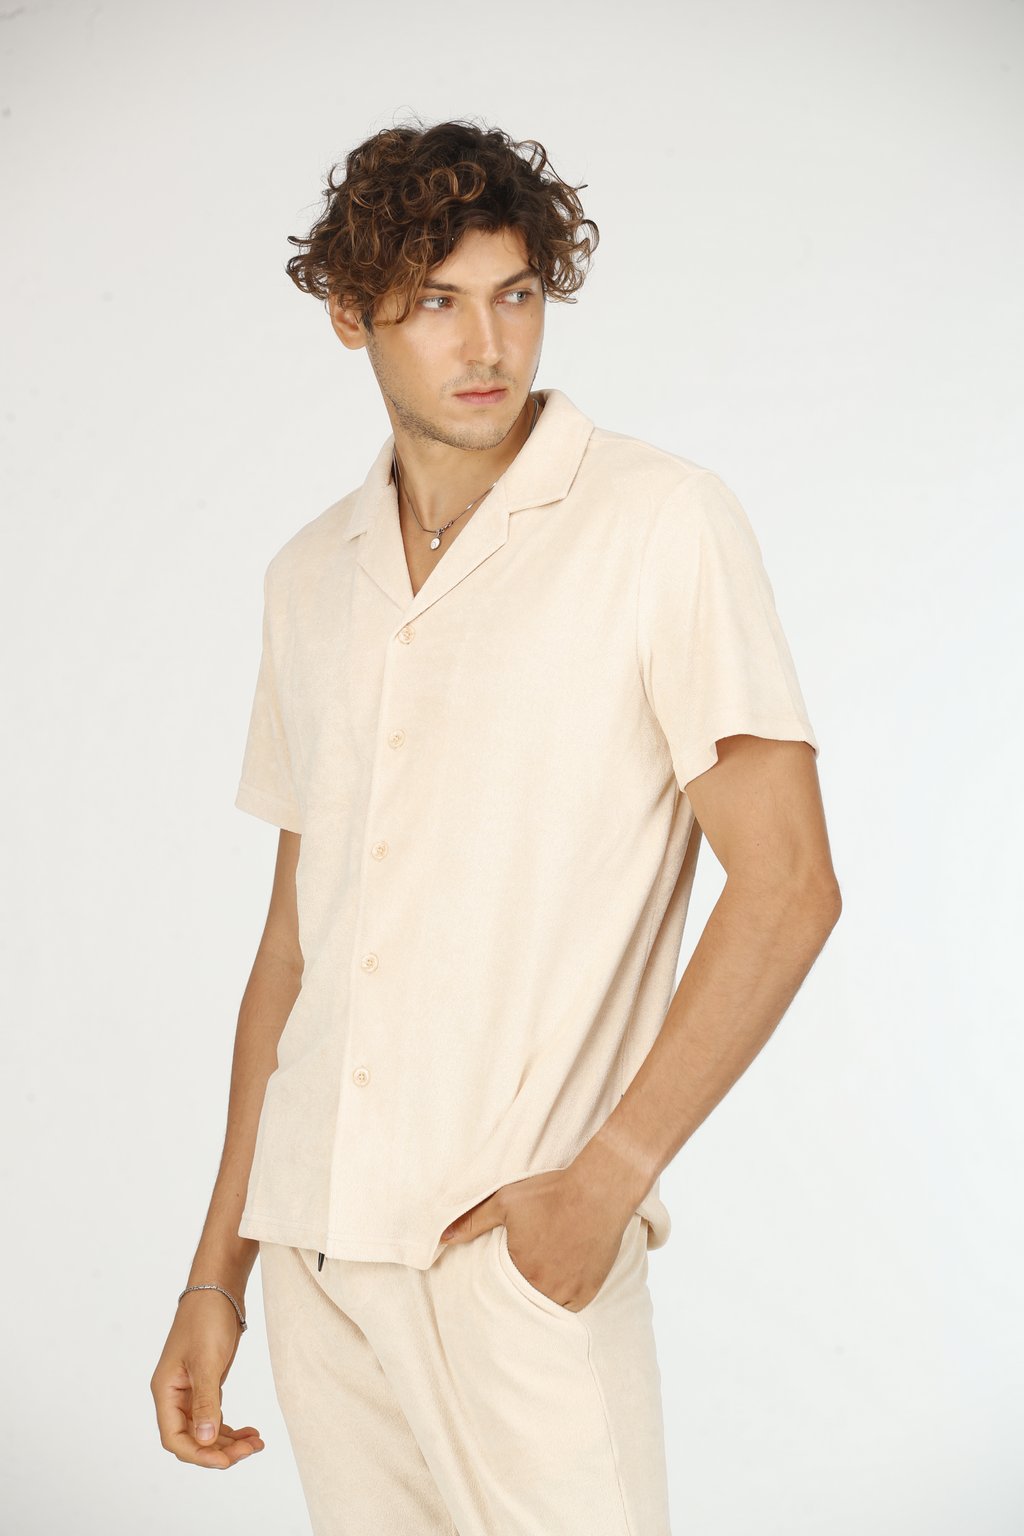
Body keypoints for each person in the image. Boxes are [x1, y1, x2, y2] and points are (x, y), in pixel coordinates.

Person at [150, 117, 842, 1535]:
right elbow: (293, 951)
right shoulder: (309, 578)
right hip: (320, 1261)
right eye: (436, 303)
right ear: (351, 316)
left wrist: (611, 1180)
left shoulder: (658, 523)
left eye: (516, 294)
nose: (488, 344)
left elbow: (788, 885)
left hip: (516, 1262)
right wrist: (218, 1270)